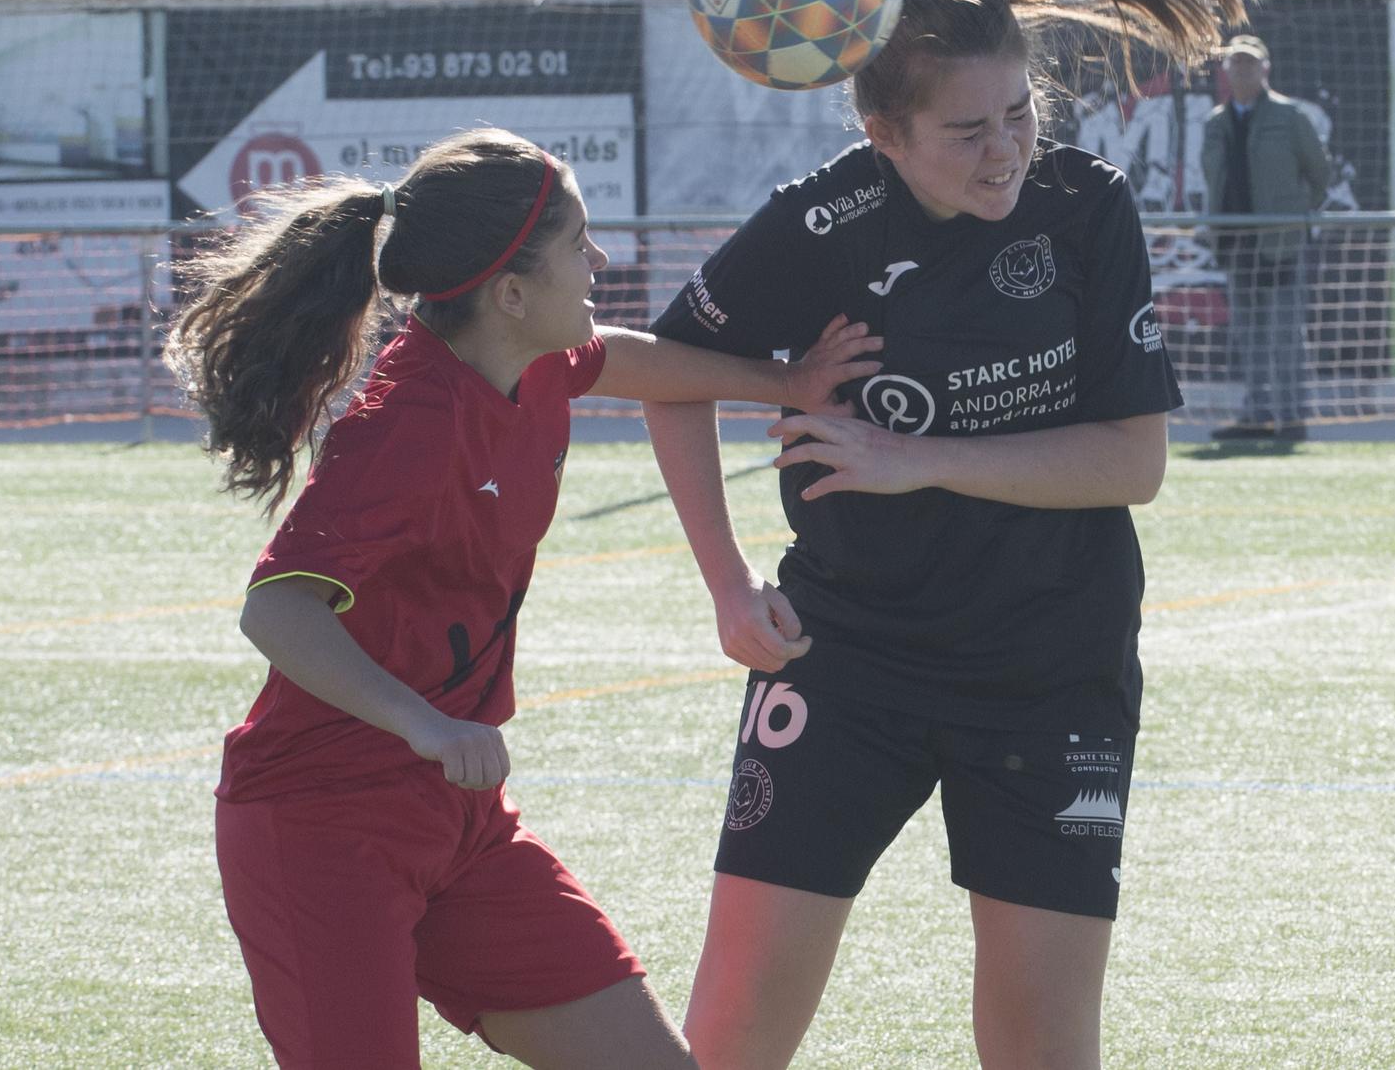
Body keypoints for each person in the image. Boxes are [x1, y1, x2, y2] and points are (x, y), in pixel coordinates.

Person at [641, 0, 1249, 1070]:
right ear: (882, 131)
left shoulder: (1086, 208)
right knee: (731, 1033)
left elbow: (1133, 461)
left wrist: (913, 457)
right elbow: (668, 374)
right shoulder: (819, 224)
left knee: (1040, 1044)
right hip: (847, 657)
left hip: (1049, 669)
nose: (1003, 151)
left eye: (1018, 114)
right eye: (964, 130)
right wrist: (725, 586)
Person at [164, 127, 879, 1070]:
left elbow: (621, 358)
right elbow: (277, 609)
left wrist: (784, 383)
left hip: (461, 823)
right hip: (322, 827)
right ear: (510, 295)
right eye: (579, 241)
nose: (601, 258)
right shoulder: (407, 426)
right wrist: (424, 723)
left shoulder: (533, 358)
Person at [1198, 34, 1330, 442]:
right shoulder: (1215, 123)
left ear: (1265, 69)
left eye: (1250, 64)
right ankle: (1256, 415)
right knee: (1249, 335)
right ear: (1225, 71)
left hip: (1280, 244)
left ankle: (1292, 418)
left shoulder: (1290, 118)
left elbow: (1319, 176)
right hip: (1237, 243)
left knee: (1286, 333)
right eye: (1235, 64)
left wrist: (1291, 214)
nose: (1242, 71)